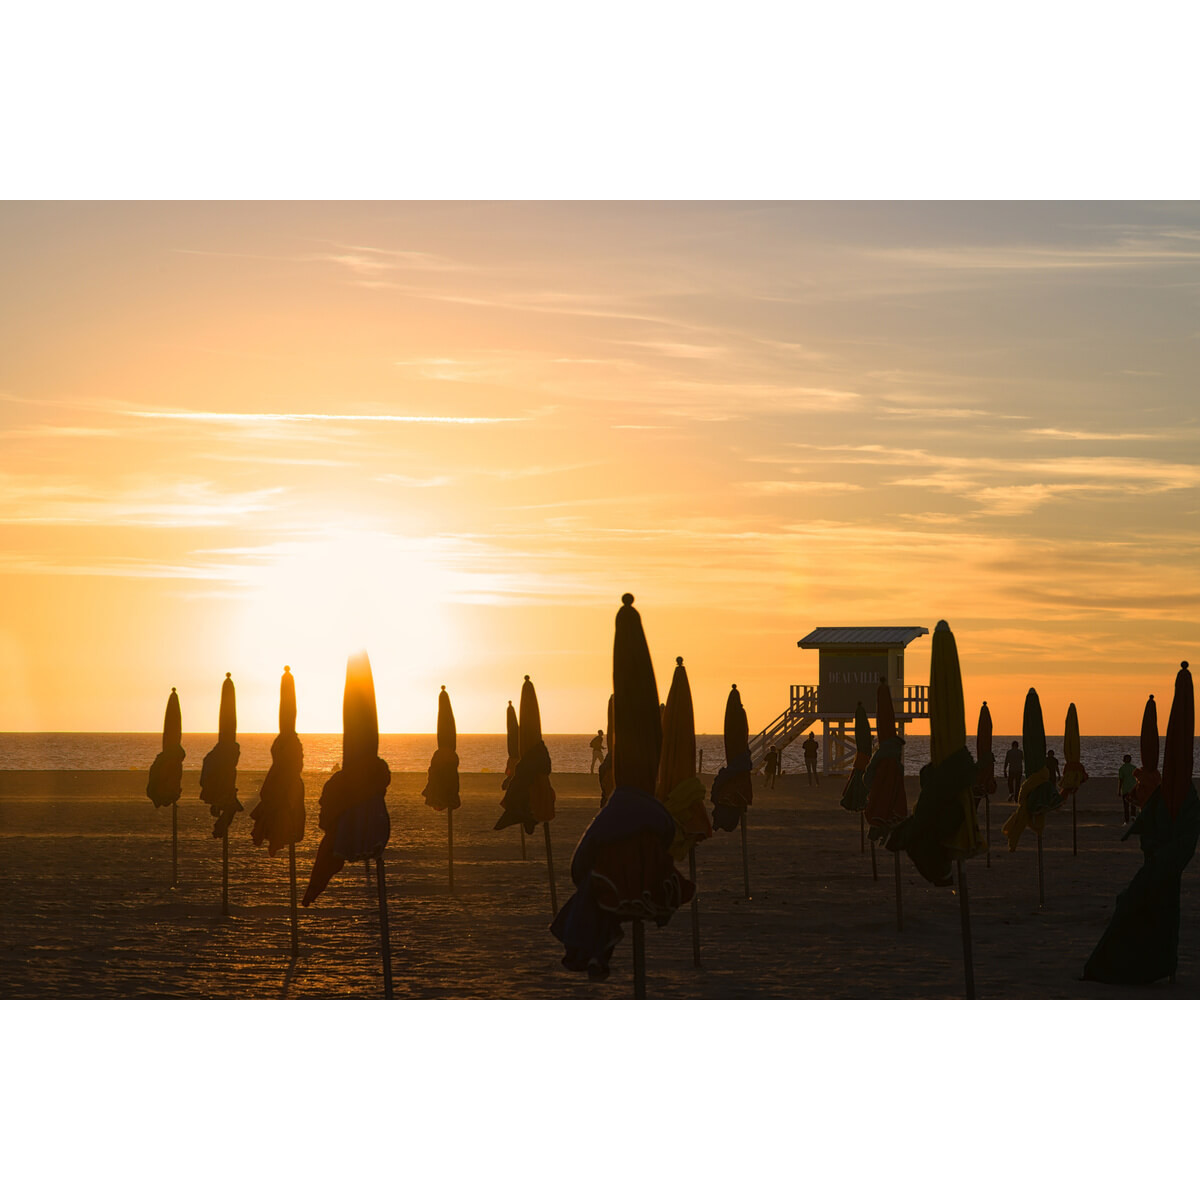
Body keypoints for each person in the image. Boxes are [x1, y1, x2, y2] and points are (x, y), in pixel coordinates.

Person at [1118, 753, 1137, 824]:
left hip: (1125, 789)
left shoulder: (1122, 768)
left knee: (1126, 806)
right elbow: (1137, 779)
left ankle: (1126, 820)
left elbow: (1121, 780)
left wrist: (1119, 790)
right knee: (1133, 805)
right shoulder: (1134, 768)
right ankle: (1133, 818)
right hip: (1133, 789)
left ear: (1123, 760)